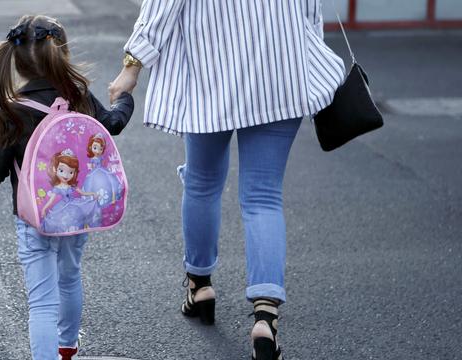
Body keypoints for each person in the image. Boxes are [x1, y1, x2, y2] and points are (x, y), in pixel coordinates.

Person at [109, 1, 344, 359]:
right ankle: (266, 317)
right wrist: (309, 46)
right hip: (280, 68)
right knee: (263, 197)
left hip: (210, 71)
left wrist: (132, 64)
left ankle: (200, 286)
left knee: (202, 182)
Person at [0, 15, 133, 360]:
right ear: (58, 54)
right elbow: (114, 124)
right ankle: (66, 348)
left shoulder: (11, 110)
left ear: (16, 62)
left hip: (34, 217)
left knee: (42, 302)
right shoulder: (78, 97)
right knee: (70, 277)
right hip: (75, 213)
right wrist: (124, 99)